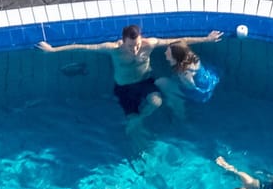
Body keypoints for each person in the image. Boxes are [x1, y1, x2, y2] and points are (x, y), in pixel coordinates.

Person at [36, 24, 223, 126]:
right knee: (132, 123)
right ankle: (136, 125)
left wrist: (206, 39)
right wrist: (53, 50)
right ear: (122, 40)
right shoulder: (113, 49)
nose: (136, 49)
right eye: (131, 45)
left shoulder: (148, 44)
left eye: (138, 44)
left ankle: (145, 117)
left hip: (145, 81)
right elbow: (83, 46)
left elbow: (177, 42)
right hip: (124, 87)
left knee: (156, 102)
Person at [155, 41, 215, 116]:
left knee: (160, 82)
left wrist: (180, 84)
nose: (165, 52)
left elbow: (191, 87)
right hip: (206, 81)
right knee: (172, 79)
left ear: (175, 56)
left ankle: (179, 104)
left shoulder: (184, 73)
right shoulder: (191, 56)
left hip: (198, 92)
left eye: (168, 52)